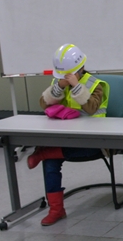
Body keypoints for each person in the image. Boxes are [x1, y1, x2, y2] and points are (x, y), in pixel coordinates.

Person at [26, 44, 109, 226]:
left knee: (51, 154)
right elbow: (44, 103)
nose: (63, 78)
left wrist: (76, 87)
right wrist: (59, 87)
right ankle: (56, 209)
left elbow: (91, 108)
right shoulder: (58, 84)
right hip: (64, 138)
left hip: (92, 142)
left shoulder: (95, 85)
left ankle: (43, 153)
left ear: (80, 69)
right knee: (50, 163)